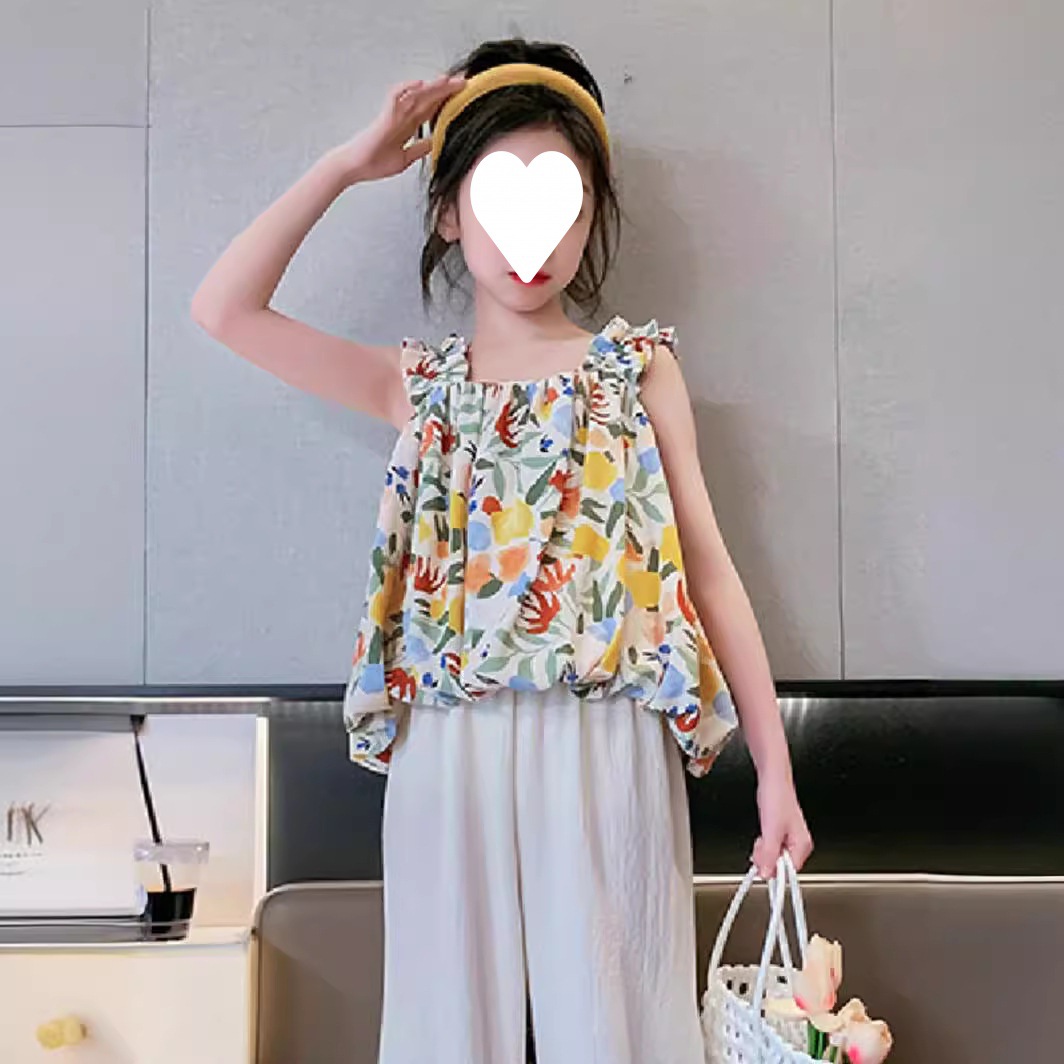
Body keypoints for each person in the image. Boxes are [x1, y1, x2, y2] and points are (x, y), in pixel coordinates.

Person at [191, 35, 813, 1064]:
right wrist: (347, 163)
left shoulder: (635, 371)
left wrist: (774, 774)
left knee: (620, 1032)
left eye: (564, 202)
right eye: (495, 199)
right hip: (448, 741)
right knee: (444, 1034)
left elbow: (705, 567)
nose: (535, 236)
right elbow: (222, 308)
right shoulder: (419, 384)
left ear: (591, 215)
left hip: (607, 735)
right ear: (447, 213)